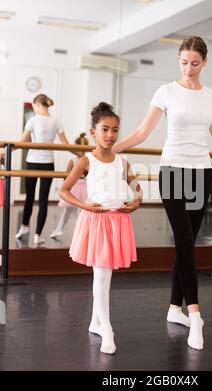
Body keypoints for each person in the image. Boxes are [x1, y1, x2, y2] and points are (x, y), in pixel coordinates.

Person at [111, 36, 212, 351]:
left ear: (204, 63)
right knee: (185, 242)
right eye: (183, 62)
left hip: (202, 172)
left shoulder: (210, 95)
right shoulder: (166, 91)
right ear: (178, 61)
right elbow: (141, 132)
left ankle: (174, 308)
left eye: (194, 63)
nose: (188, 68)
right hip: (173, 172)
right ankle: (196, 314)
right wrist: (105, 149)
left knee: (186, 242)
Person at [60, 102, 142, 355]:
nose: (110, 135)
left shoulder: (123, 162)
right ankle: (107, 328)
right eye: (105, 129)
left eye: (115, 130)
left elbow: (137, 190)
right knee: (102, 275)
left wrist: (136, 202)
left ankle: (96, 322)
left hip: (118, 221)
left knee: (104, 275)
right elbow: (64, 190)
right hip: (97, 221)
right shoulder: (86, 161)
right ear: (93, 132)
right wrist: (84, 205)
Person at [14, 94, 74, 245]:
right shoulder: (56, 121)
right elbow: (66, 144)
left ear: (37, 104)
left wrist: (4, 152)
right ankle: (37, 235)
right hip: (48, 163)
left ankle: (24, 227)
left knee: (29, 197)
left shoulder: (33, 120)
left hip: (33, 162)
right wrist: (81, 154)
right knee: (43, 200)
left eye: (33, 105)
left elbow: (21, 142)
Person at [51, 132, 89, 239]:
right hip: (79, 188)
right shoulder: (83, 161)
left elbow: (66, 176)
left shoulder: (75, 161)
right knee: (74, 211)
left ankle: (81, 233)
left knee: (78, 212)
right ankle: (59, 230)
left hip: (79, 188)